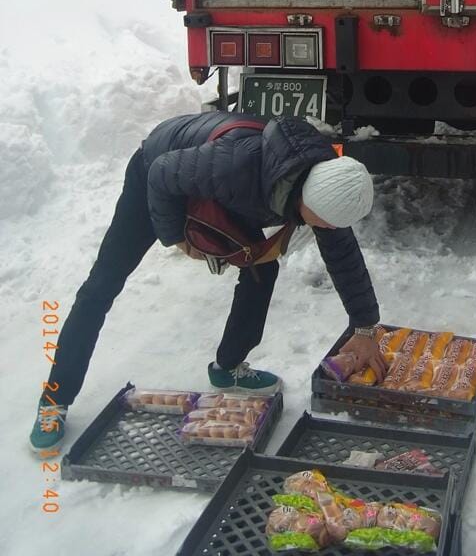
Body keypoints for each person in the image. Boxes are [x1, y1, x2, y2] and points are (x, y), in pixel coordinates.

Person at [30, 113, 384, 451]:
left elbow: (344, 257)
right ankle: (54, 399)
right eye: (323, 222)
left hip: (221, 180)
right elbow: (161, 174)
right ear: (307, 198)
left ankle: (228, 366)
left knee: (262, 267)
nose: (328, 230)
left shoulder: (326, 183)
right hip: (158, 166)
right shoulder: (234, 166)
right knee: (102, 283)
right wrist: (178, 239)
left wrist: (365, 327)